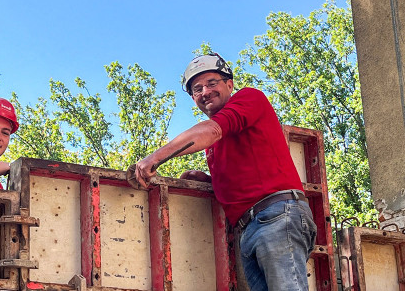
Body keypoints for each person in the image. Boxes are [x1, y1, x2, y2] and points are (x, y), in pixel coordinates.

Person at [134, 53, 317, 291]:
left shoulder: (249, 99)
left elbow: (211, 129)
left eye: (212, 83)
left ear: (229, 84)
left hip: (276, 215)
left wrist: (155, 157)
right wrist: (209, 182)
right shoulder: (217, 144)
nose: (205, 92)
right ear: (193, 98)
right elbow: (248, 175)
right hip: (251, 227)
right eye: (197, 89)